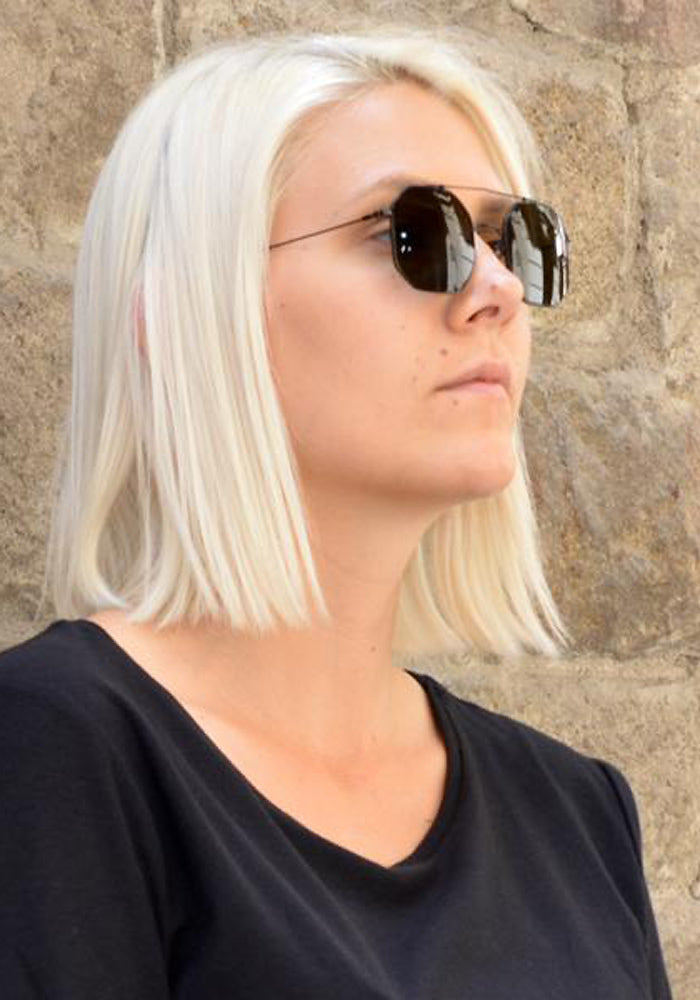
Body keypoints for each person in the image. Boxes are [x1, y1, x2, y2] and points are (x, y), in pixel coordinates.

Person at [0, 24, 672, 999]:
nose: (494, 289)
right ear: (190, 315)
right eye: (414, 233)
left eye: (512, 240)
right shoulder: (51, 754)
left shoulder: (578, 813)